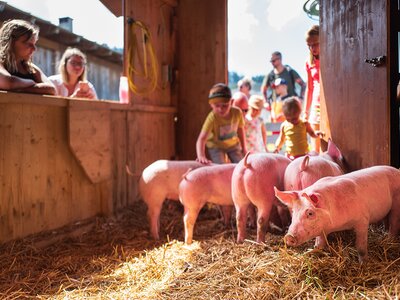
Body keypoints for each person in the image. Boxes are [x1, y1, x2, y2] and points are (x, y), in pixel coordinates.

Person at [0, 19, 56, 95]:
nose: (34, 49)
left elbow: (52, 89)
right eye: (28, 43)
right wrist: (33, 83)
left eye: (34, 44)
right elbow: (9, 82)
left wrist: (20, 89)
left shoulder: (30, 68)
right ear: (11, 42)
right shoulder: (1, 63)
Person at [196, 83, 247, 164]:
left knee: (240, 164)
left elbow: (241, 131)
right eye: (217, 106)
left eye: (225, 106)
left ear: (231, 102)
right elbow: (201, 139)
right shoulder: (212, 117)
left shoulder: (237, 113)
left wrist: (244, 148)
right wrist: (201, 156)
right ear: (211, 105)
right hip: (216, 146)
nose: (220, 109)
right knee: (220, 167)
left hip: (232, 144)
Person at [303, 25, 321, 153]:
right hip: (316, 106)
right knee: (316, 148)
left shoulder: (331, 58)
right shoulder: (309, 63)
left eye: (315, 44)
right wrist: (306, 112)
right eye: (309, 45)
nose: (312, 48)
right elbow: (309, 89)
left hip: (329, 106)